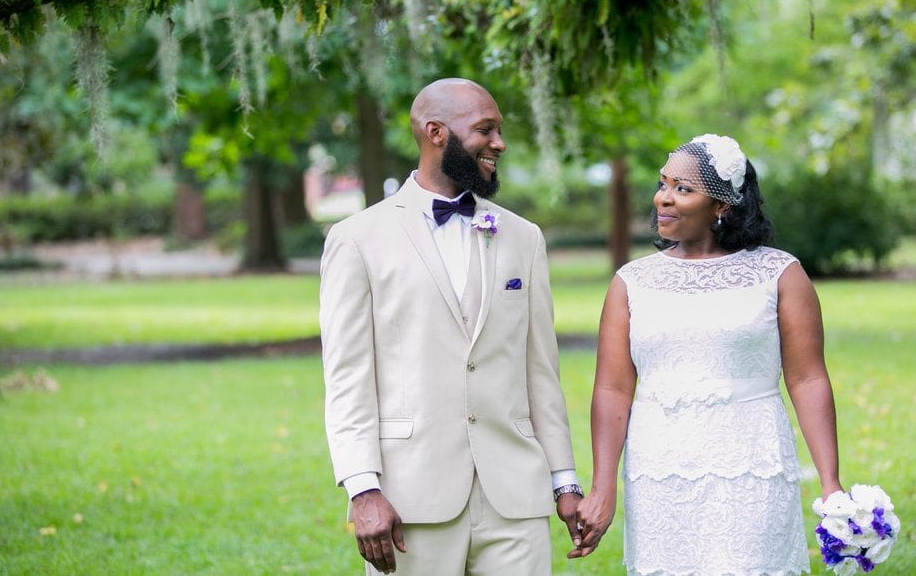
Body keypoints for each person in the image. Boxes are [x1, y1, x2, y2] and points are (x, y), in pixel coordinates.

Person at [319, 78, 583, 575]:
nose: (499, 143)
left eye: (500, 130)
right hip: (409, 499)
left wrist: (564, 481)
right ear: (436, 132)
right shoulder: (357, 240)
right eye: (486, 129)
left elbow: (541, 372)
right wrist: (362, 487)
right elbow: (348, 377)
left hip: (516, 499)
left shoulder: (524, 238)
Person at [570, 134, 842, 574]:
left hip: (750, 462)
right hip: (659, 467)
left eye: (683, 189)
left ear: (722, 205)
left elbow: (807, 379)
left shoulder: (780, 273)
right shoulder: (631, 281)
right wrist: (603, 487)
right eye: (664, 184)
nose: (664, 198)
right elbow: (614, 388)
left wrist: (829, 481)